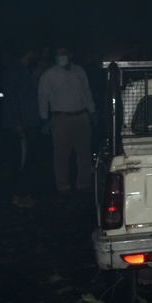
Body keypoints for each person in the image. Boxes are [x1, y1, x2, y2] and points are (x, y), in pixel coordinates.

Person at [37, 46, 96, 194]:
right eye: (58, 54)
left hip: (81, 116)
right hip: (61, 119)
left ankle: (84, 184)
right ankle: (63, 186)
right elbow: (42, 98)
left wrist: (92, 111)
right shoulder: (49, 75)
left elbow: (86, 92)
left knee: (84, 154)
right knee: (61, 155)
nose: (60, 56)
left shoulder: (80, 71)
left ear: (70, 54)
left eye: (63, 53)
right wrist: (45, 119)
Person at [1, 48, 40, 207]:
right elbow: (11, 99)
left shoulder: (23, 70)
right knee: (20, 161)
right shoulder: (16, 71)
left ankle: (21, 194)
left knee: (24, 160)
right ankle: (18, 195)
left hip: (26, 122)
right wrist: (16, 123)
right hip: (21, 124)